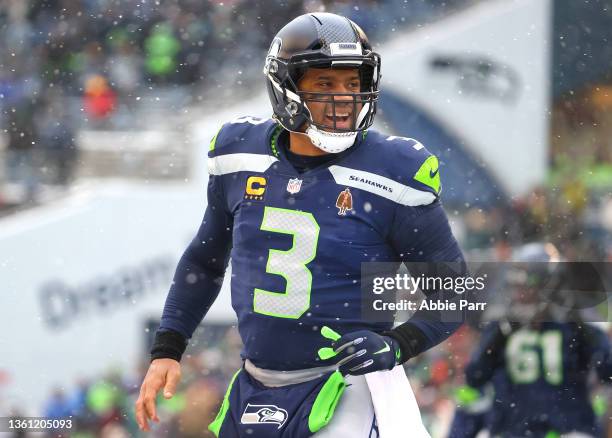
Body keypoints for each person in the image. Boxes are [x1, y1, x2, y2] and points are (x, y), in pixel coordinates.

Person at [136, 12, 466, 437]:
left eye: (352, 83)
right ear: (286, 86)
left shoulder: (395, 172)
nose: (343, 98)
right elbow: (205, 258)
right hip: (255, 384)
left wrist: (399, 343)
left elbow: (457, 292)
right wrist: (168, 348)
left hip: (349, 385)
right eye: (325, 84)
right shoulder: (239, 154)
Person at [453, 243, 612, 438]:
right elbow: (475, 377)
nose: (520, 296)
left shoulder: (573, 324)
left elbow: (608, 370)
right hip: (515, 429)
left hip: (567, 429)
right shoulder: (503, 325)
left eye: (527, 287)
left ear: (550, 286)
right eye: (517, 287)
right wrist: (498, 336)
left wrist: (585, 327)